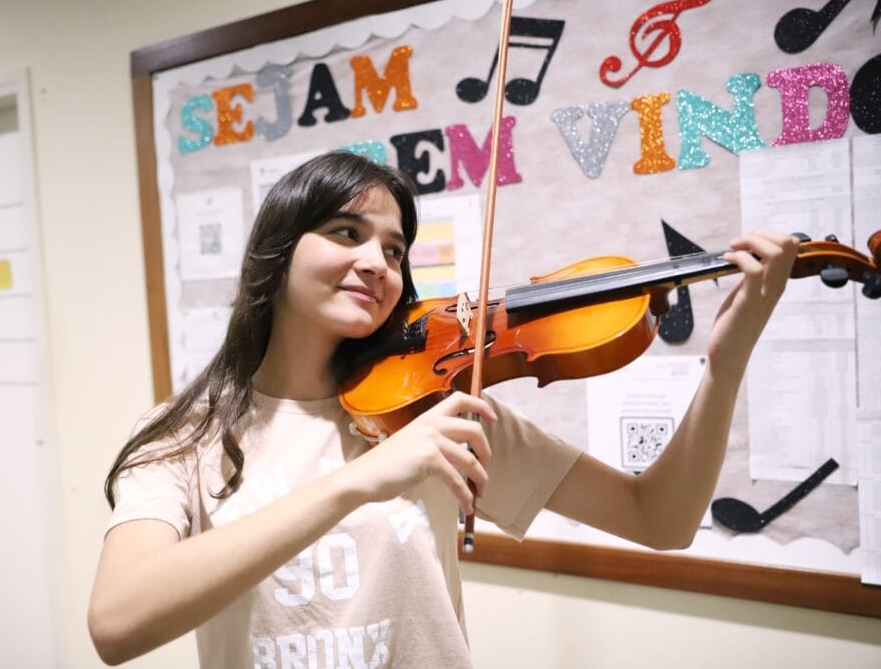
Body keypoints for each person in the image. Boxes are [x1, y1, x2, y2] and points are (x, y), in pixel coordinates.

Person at [88, 151, 797, 667]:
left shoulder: (438, 413)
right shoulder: (186, 439)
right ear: (277, 252)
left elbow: (661, 519)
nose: (377, 263)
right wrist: (358, 480)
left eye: (394, 250)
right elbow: (117, 625)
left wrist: (724, 363)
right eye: (345, 232)